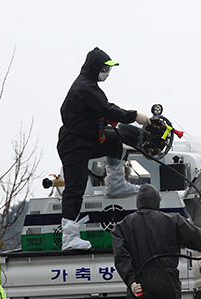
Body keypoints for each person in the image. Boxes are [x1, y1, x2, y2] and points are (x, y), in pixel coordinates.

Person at [57, 47, 152, 251]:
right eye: (104, 69)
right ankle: (69, 237)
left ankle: (115, 184)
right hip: (74, 145)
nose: (107, 73)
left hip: (89, 139)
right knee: (75, 188)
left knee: (114, 140)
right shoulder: (84, 88)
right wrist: (135, 116)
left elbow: (104, 108)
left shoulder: (90, 85)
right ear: (95, 68)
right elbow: (105, 108)